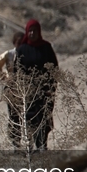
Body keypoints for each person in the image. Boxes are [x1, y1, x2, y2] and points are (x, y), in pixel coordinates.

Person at [14, 20, 59, 151]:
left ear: (39, 32)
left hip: (45, 91)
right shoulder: (22, 49)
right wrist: (19, 87)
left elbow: (54, 68)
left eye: (35, 30)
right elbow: (17, 69)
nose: (32, 33)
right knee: (30, 118)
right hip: (29, 91)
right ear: (27, 32)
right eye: (30, 31)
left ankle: (43, 145)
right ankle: (32, 145)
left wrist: (51, 87)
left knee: (44, 118)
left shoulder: (46, 47)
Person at [0, 31, 26, 148]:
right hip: (11, 88)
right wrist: (5, 77)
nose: (20, 45)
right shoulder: (9, 54)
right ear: (14, 43)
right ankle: (15, 141)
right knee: (14, 116)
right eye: (18, 43)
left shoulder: (28, 53)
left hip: (25, 87)